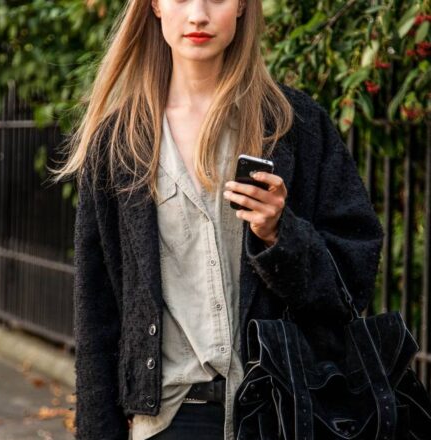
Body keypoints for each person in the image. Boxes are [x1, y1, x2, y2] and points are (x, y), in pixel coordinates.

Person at [52, 0, 384, 439]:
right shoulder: (119, 144)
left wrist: (280, 236)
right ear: (153, 5)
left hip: (282, 416)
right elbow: (96, 312)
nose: (198, 15)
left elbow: (353, 282)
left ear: (243, 6)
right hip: (168, 419)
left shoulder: (294, 126)